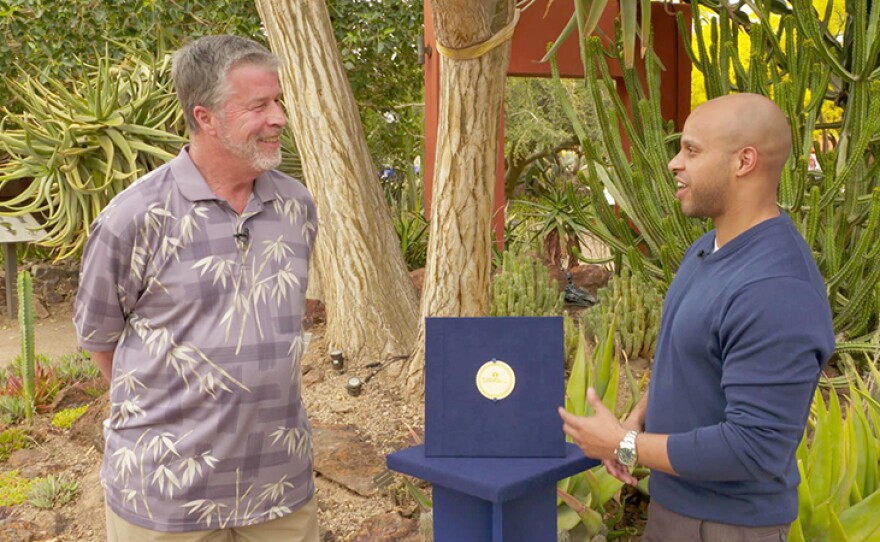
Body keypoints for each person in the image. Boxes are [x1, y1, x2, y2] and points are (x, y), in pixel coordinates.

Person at [74, 35, 319, 541]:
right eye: (258, 106)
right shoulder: (134, 216)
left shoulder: (296, 206)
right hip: (167, 498)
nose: (278, 118)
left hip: (279, 487)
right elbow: (100, 339)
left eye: (278, 102)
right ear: (205, 117)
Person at [558, 93, 834, 541]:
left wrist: (625, 446)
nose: (673, 163)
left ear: (744, 161)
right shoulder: (706, 249)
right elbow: (688, 358)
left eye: (692, 150)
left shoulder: (775, 288)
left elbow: (754, 448)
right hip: (675, 509)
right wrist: (636, 425)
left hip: (728, 526)